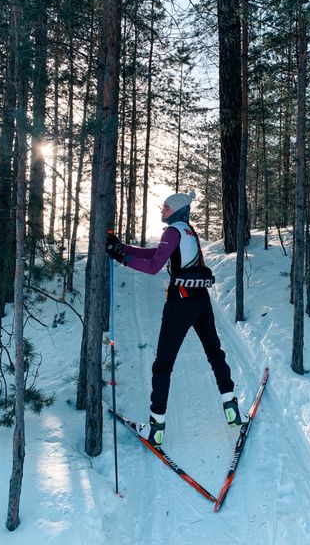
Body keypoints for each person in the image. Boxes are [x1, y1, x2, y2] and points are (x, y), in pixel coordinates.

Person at [106, 190, 246, 447]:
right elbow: (157, 255)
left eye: (166, 208)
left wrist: (122, 258)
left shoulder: (172, 232)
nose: (162, 211)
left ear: (178, 210)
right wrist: (122, 249)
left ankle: (156, 427)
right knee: (215, 353)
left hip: (179, 301)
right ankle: (231, 407)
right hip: (200, 300)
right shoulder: (187, 231)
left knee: (163, 364)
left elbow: (153, 266)